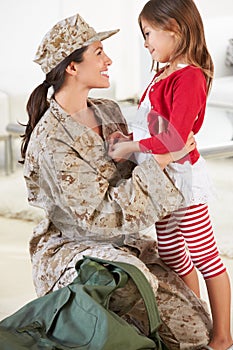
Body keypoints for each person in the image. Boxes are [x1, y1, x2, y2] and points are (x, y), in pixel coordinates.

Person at [20, 13, 212, 349]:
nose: (109, 60)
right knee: (134, 300)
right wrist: (165, 157)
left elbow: (158, 138)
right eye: (98, 52)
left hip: (125, 243)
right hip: (78, 248)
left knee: (196, 331)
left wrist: (169, 135)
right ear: (72, 67)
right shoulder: (52, 139)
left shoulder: (108, 110)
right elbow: (97, 218)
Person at [108, 1, 233, 350]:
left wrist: (129, 149)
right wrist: (128, 138)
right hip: (160, 177)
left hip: (181, 179)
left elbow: (175, 138)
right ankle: (196, 318)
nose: (145, 43)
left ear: (174, 28)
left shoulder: (189, 75)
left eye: (148, 33)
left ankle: (222, 335)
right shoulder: (164, 72)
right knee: (172, 252)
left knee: (204, 253)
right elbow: (155, 125)